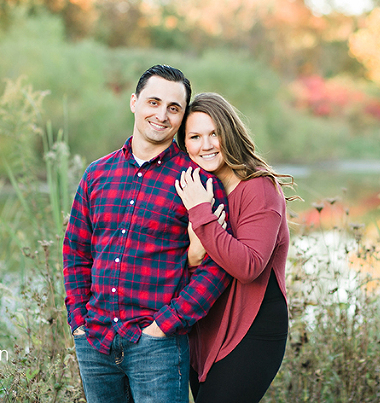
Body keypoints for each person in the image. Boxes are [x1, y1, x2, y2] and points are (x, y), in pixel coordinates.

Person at [63, 66, 231, 403]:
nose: (161, 115)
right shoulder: (97, 174)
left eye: (174, 108)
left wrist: (166, 325)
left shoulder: (198, 182)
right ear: (134, 102)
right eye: (153, 102)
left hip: (158, 347)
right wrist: (79, 321)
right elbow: (76, 251)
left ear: (182, 117)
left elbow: (217, 265)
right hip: (95, 341)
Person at [174, 92, 292, 403]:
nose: (207, 144)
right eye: (195, 136)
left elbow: (249, 266)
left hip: (251, 328)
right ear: (184, 145)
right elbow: (170, 259)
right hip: (203, 328)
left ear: (230, 133)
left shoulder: (259, 188)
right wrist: (191, 256)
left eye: (215, 134)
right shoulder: (193, 187)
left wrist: (200, 212)